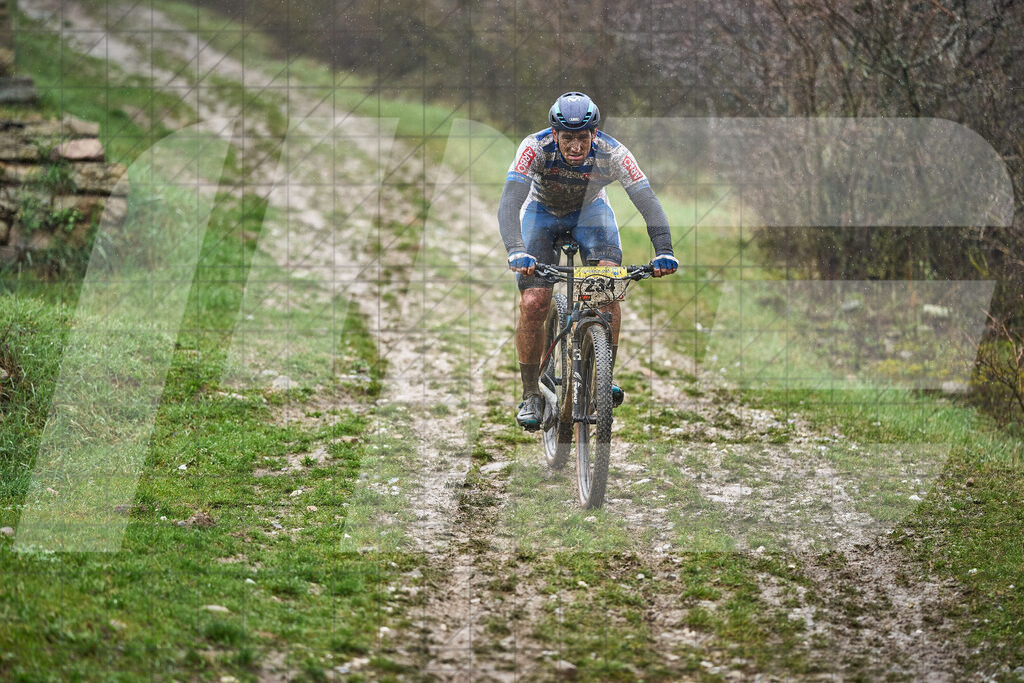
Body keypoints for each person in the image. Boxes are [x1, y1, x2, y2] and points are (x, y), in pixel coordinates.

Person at [498, 91, 678, 430]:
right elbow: (510, 202)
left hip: (591, 214)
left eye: (583, 137)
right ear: (555, 135)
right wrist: (516, 249)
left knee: (607, 288)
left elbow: (648, 201)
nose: (576, 146)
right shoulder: (533, 148)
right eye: (568, 138)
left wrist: (664, 250)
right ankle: (530, 393)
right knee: (535, 300)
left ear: (594, 134)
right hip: (541, 214)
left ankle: (600, 374)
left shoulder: (614, 153)